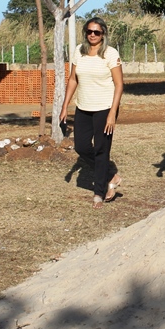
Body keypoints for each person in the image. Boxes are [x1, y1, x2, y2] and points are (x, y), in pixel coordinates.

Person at [60, 17, 124, 209]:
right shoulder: (79, 51)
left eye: (97, 32)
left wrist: (112, 113)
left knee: (101, 150)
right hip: (83, 107)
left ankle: (99, 193)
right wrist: (65, 106)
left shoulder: (110, 54)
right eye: (89, 31)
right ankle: (110, 176)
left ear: (103, 34)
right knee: (81, 146)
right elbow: (73, 79)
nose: (93, 35)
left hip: (104, 108)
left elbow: (119, 84)